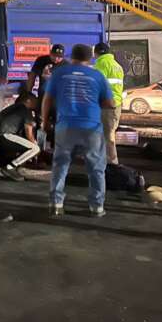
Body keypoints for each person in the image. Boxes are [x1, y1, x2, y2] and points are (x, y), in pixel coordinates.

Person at [42, 43, 115, 218]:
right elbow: (110, 103)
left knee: (60, 165)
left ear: (71, 56)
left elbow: (47, 99)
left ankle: (56, 204)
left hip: (65, 127)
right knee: (96, 168)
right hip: (91, 128)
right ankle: (97, 207)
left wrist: (44, 121)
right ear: (90, 58)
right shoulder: (97, 75)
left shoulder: (59, 73)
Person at [0, 93, 41, 181]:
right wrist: (35, 152)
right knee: (35, 149)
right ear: (28, 101)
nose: (37, 104)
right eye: (35, 101)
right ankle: (10, 168)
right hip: (6, 135)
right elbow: (29, 134)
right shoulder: (25, 110)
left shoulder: (10, 108)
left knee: (12, 151)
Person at [94, 42, 124, 165]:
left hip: (106, 105)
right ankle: (107, 161)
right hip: (116, 104)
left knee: (107, 136)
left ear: (96, 53)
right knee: (109, 133)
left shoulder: (101, 63)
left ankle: (111, 164)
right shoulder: (117, 65)